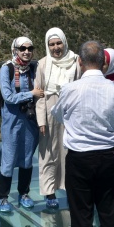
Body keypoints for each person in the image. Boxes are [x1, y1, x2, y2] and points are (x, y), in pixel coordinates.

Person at [51, 41, 114, 227]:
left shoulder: (70, 89)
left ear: (79, 62)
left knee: (82, 216)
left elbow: (59, 115)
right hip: (108, 156)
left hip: (80, 157)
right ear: (104, 63)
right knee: (108, 213)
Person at [33, 27, 78, 209]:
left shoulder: (75, 61)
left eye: (58, 43)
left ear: (64, 42)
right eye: (52, 44)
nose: (56, 48)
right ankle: (49, 192)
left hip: (70, 112)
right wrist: (41, 121)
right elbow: (40, 94)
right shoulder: (43, 64)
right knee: (49, 152)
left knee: (68, 151)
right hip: (50, 111)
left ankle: (69, 187)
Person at [0, 37, 42, 212]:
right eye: (22, 48)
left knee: (26, 158)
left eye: (30, 48)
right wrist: (31, 93)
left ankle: (24, 193)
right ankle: (3, 197)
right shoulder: (6, 69)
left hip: (30, 121)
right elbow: (8, 97)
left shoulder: (34, 68)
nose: (26, 52)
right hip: (12, 121)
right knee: (8, 158)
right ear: (15, 49)